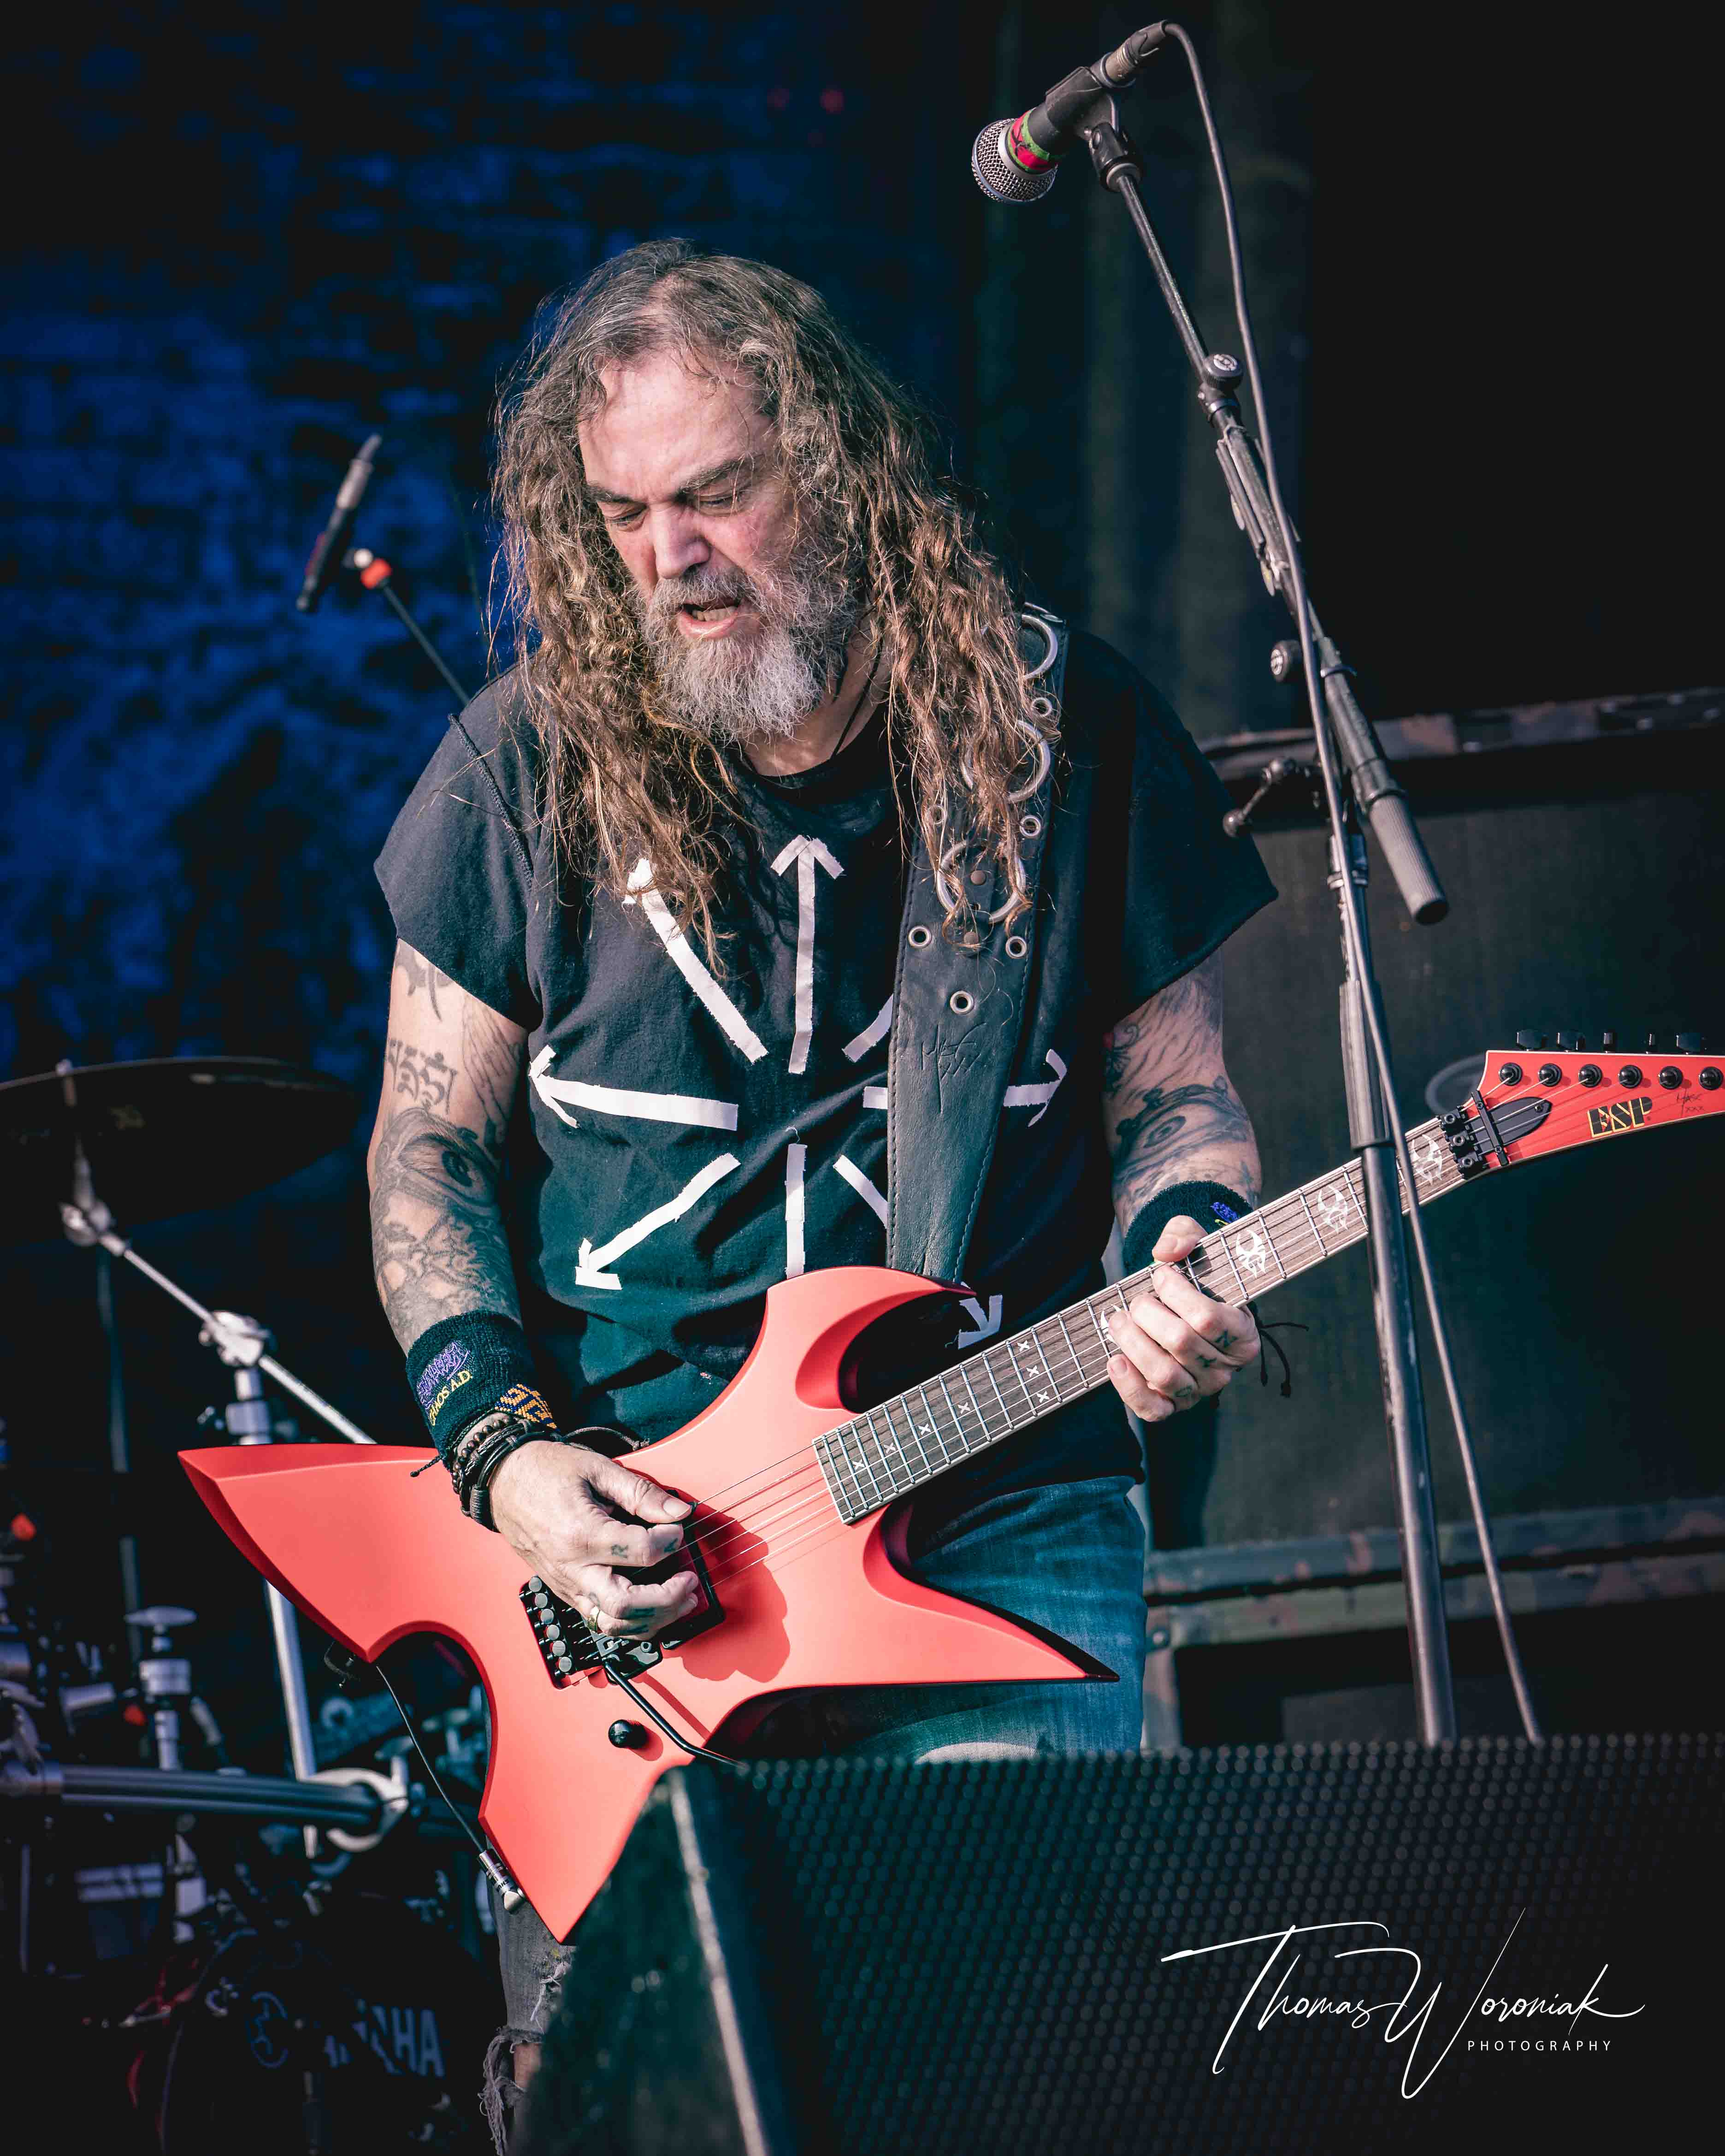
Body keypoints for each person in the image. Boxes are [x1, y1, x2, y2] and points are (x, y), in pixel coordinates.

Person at [366, 240, 1274, 2140]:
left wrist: (1181, 1256)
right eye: (623, 516)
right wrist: (507, 1459)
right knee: (662, 2111)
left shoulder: (1059, 739)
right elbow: (424, 1145)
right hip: (643, 1558)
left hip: (996, 1511)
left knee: (1005, 2080)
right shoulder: (523, 767)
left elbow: (1183, 1106)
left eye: (716, 495)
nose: (670, 557)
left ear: (840, 465)